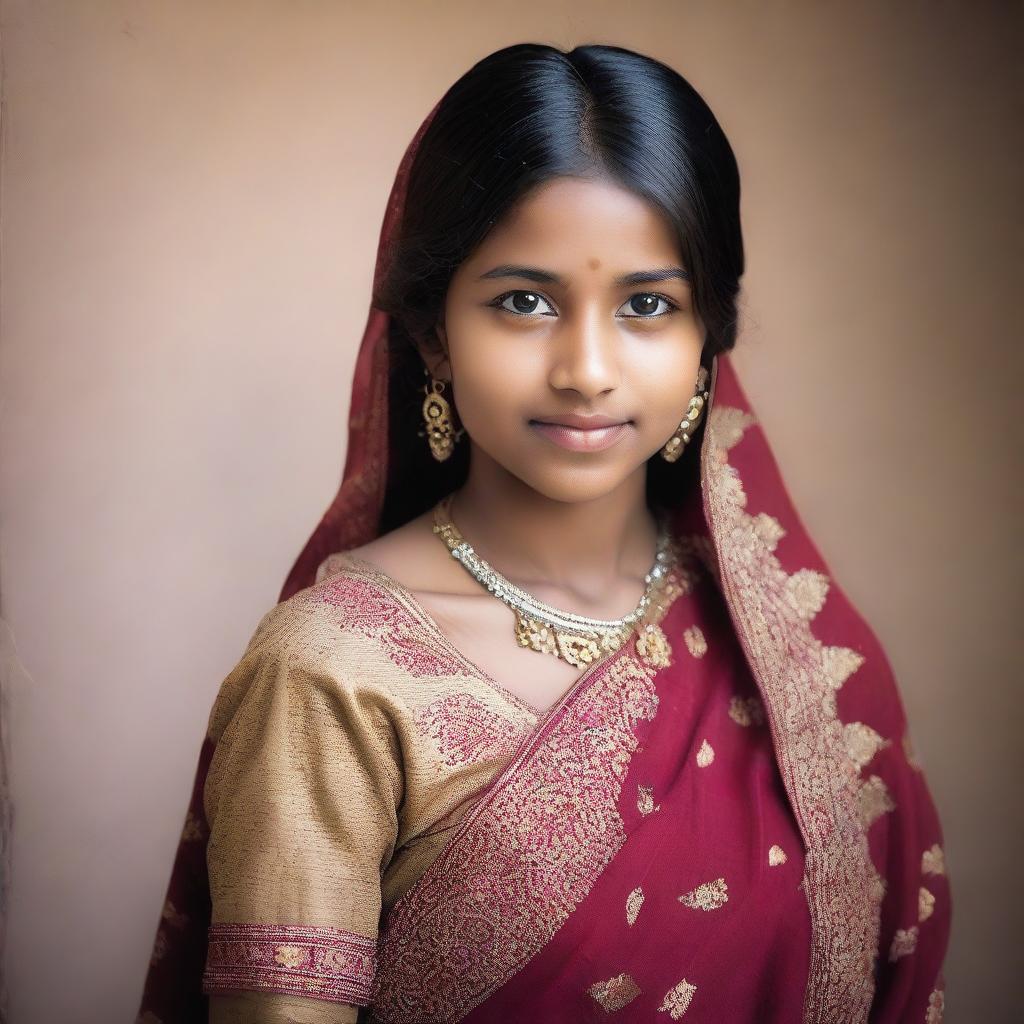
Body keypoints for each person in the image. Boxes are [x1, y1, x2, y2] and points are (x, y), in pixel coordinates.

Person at [136, 42, 951, 1024]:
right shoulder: (332, 675)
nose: (587, 368)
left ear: (707, 341)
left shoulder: (790, 658)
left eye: (648, 304)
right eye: (524, 301)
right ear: (433, 330)